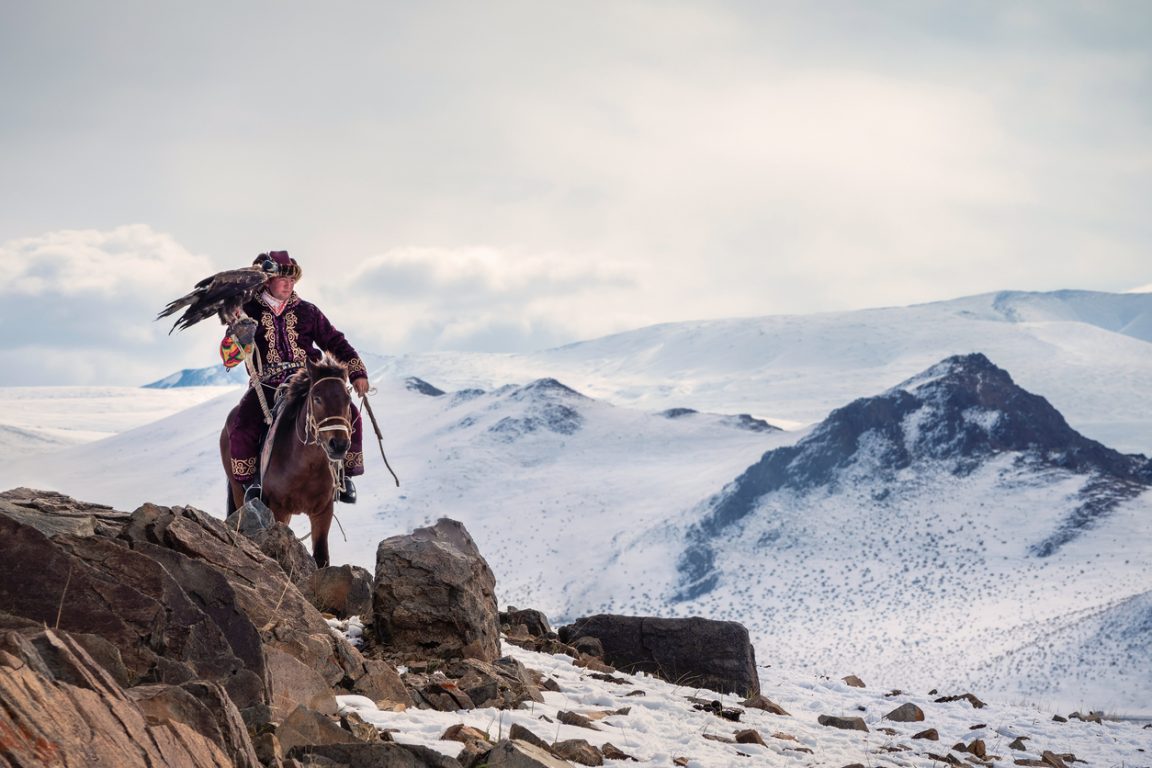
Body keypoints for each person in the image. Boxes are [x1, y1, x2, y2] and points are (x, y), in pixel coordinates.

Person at [220, 250, 369, 503]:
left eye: (292, 281)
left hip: (308, 380)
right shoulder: (247, 311)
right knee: (241, 424)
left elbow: (334, 341)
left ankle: (344, 478)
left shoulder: (308, 311)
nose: (289, 285)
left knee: (350, 415)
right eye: (283, 280)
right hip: (267, 382)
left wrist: (357, 372)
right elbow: (230, 358)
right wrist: (238, 333)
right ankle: (250, 486)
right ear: (268, 281)